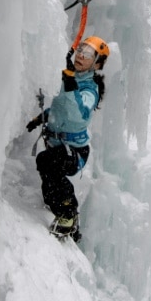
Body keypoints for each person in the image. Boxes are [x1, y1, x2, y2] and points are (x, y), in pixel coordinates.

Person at [26, 36, 109, 240]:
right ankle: (63, 215)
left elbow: (80, 113)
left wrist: (70, 84)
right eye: (81, 49)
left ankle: (68, 213)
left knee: (47, 163)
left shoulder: (90, 89)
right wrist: (41, 118)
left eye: (89, 54)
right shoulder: (68, 77)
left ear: (97, 63)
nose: (81, 55)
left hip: (75, 151)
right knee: (47, 176)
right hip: (58, 145)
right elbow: (60, 108)